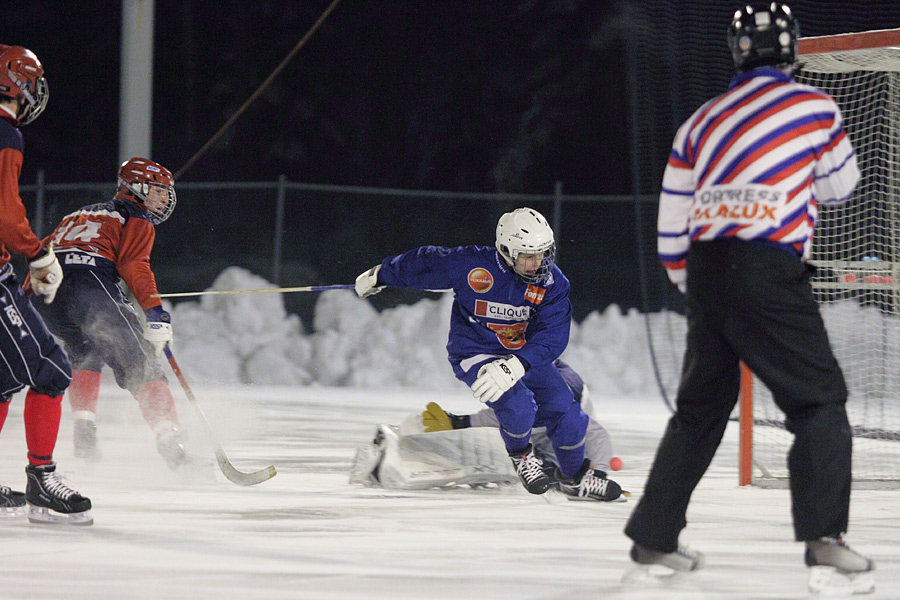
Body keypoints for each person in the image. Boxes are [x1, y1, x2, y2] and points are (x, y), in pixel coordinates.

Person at [623, 4, 874, 594]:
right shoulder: (815, 107)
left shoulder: (700, 120)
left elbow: (671, 224)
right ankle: (824, 543)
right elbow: (844, 185)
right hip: (768, 265)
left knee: (700, 411)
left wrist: (702, 288)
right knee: (818, 403)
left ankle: (654, 537)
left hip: (708, 268)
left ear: (736, 52)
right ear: (790, 51)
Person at [354, 207, 621, 501]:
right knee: (518, 404)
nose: (537, 263)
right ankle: (522, 458)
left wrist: (517, 364)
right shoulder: (473, 266)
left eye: (543, 253)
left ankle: (574, 478)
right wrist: (382, 273)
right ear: (506, 251)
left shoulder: (552, 283)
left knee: (565, 410)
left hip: (522, 356)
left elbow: (554, 333)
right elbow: (427, 263)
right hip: (477, 351)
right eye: (527, 256)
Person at [32, 157, 196, 472]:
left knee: (85, 349)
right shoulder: (134, 215)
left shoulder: (77, 213)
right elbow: (134, 264)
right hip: (89, 289)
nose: (163, 198)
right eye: (158, 190)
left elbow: (44, 251)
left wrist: (27, 293)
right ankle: (173, 446)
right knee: (141, 361)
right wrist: (155, 312)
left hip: (46, 294)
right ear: (137, 187)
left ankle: (84, 432)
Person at [0, 44, 92, 525]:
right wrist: (37, 253)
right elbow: (5, 210)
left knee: (2, 379)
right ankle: (42, 480)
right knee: (52, 368)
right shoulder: (5, 134)